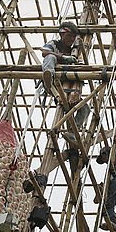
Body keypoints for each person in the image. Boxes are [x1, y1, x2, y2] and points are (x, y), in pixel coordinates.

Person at [40, 21, 89, 150]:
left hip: (69, 88)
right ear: (62, 34)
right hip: (54, 83)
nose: (71, 39)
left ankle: (73, 132)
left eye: (73, 37)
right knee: (51, 57)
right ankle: (48, 76)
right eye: (69, 36)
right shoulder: (55, 44)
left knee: (85, 108)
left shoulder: (74, 51)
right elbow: (44, 52)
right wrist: (62, 57)